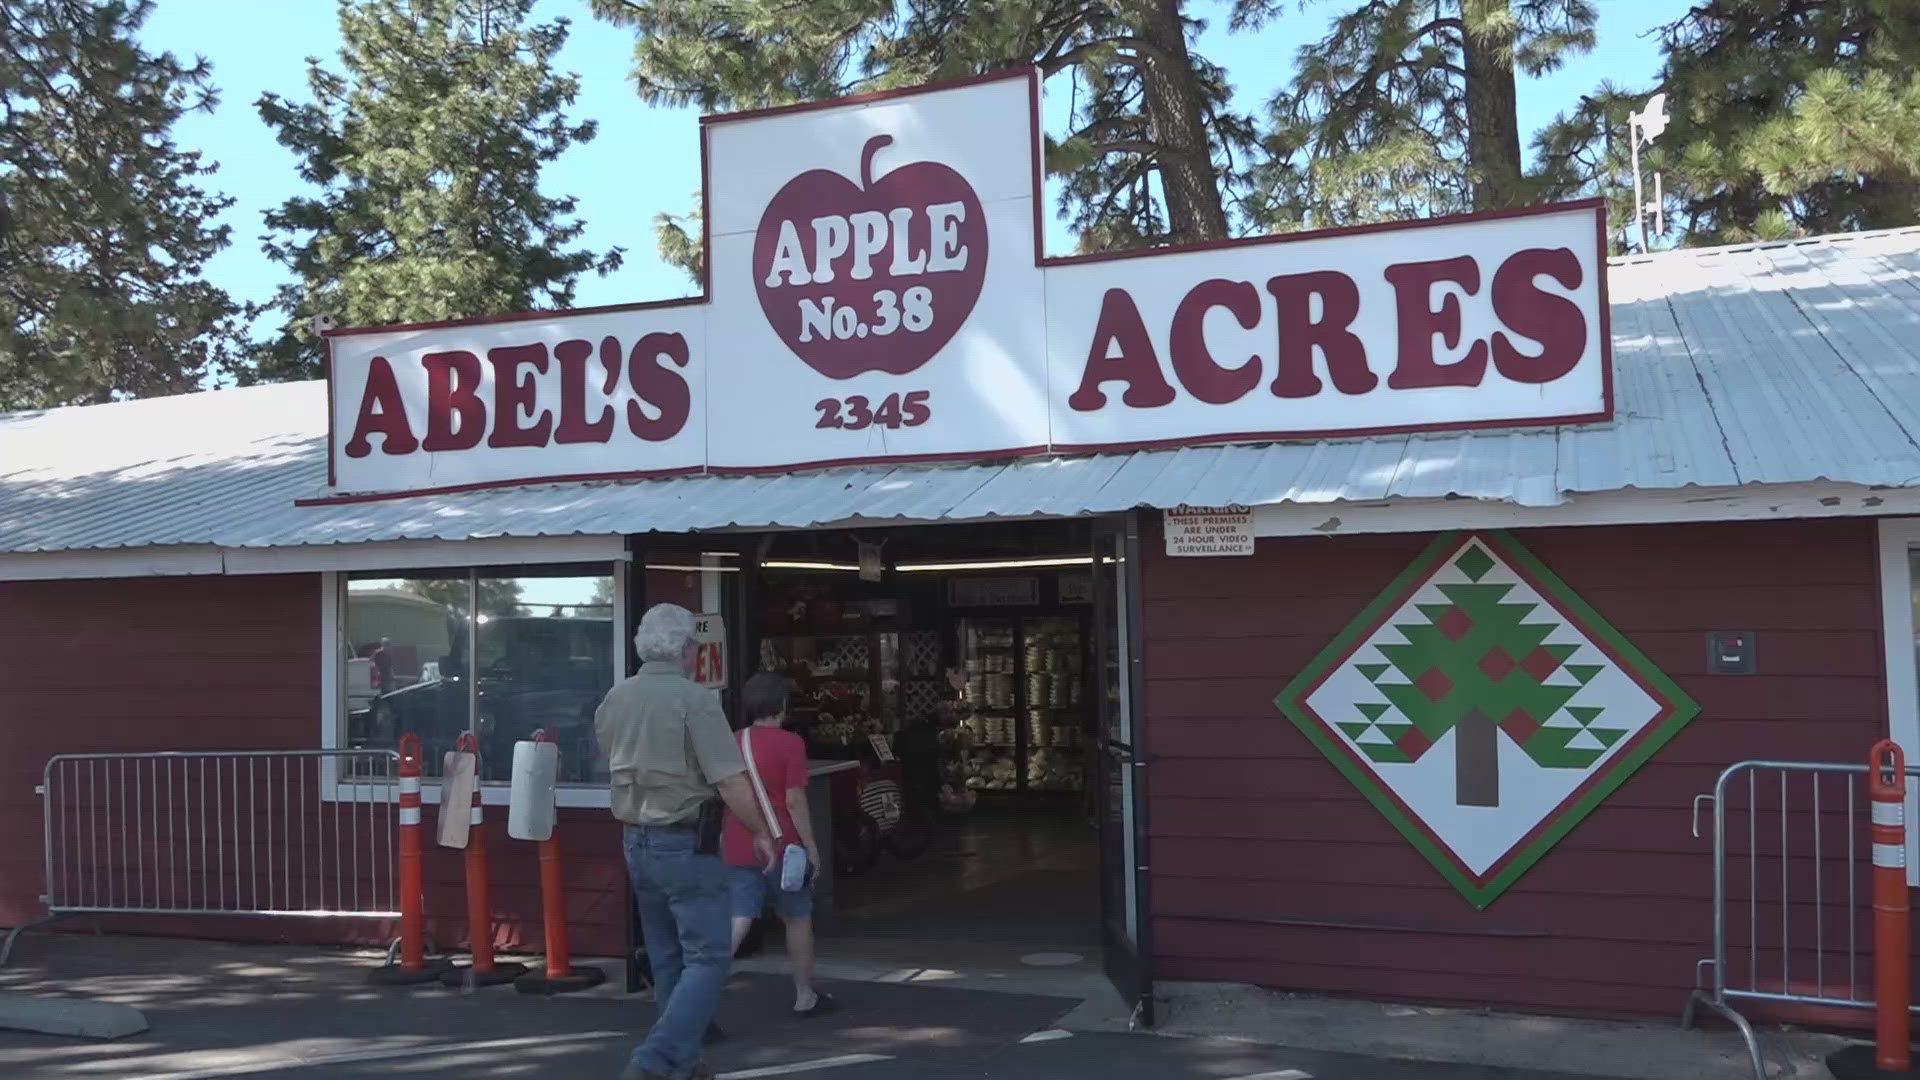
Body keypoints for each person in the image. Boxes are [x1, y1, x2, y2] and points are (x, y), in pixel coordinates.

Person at [598, 604, 775, 1080]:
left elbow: (605, 750)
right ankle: (656, 1059)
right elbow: (730, 781)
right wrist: (762, 832)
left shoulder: (616, 698)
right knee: (709, 956)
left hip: (635, 839)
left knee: (667, 956)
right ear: (686, 650)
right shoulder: (696, 701)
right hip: (684, 841)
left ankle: (685, 1060)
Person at [723, 672, 831, 1016]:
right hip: (784, 845)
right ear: (783, 705)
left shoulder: (732, 741)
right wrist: (812, 846)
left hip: (740, 842)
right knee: (797, 917)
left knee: (738, 919)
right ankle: (804, 994)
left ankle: (698, 989)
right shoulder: (791, 744)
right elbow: (795, 800)